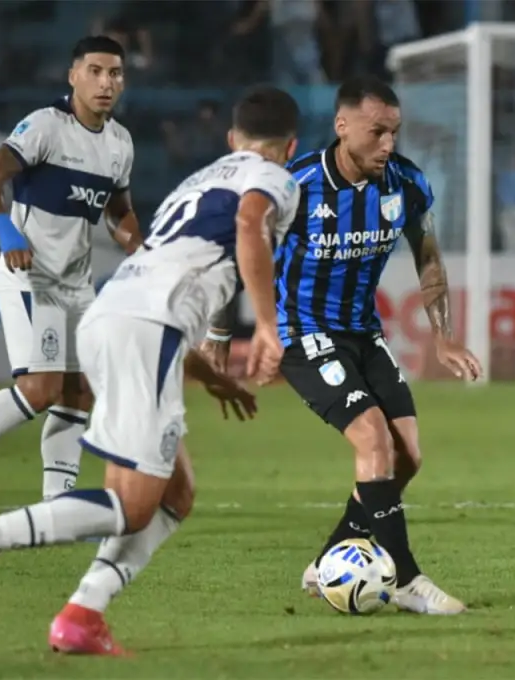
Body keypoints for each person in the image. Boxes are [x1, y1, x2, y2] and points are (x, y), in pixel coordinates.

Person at [0, 85, 301, 655]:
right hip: (142, 329)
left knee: (175, 494)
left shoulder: (198, 183)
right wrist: (267, 325)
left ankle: (82, 614)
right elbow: (251, 226)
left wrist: (215, 377)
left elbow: (160, 292)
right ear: (290, 147)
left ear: (231, 139)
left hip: (113, 319)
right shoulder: (274, 179)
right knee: (132, 506)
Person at [203, 75, 481, 614]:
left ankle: (329, 558)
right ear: (342, 126)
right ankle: (406, 578)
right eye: (377, 132)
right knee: (373, 440)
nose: (388, 144)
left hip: (364, 332)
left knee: (407, 456)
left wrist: (443, 337)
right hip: (304, 334)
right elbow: (241, 252)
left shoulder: (406, 183)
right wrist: (219, 330)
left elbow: (427, 255)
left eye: (395, 132)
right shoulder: (296, 186)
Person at [0, 36, 143, 527]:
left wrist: (141, 250)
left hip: (76, 284)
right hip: (30, 276)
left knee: (78, 392)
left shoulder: (120, 143)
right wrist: (5, 231)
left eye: (115, 73)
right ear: (73, 75)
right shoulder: (46, 126)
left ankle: (58, 506)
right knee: (39, 389)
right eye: (95, 71)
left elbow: (118, 211)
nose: (106, 82)